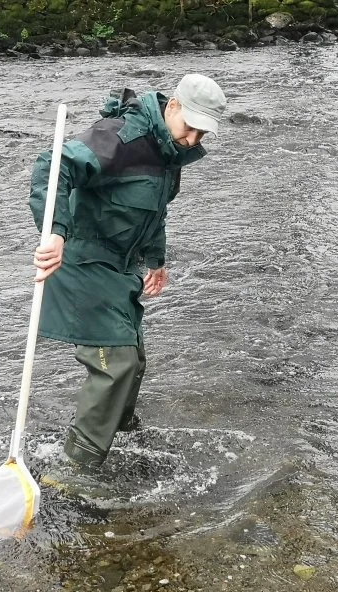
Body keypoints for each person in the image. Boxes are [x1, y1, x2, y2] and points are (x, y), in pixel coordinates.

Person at [28, 73, 226, 495]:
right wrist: (55, 232)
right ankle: (72, 471)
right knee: (114, 363)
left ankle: (120, 435)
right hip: (81, 260)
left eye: (202, 132)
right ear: (173, 106)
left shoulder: (167, 152)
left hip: (118, 268)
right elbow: (52, 166)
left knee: (133, 359)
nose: (192, 139)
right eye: (189, 126)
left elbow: (153, 212)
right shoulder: (119, 138)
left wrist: (155, 259)